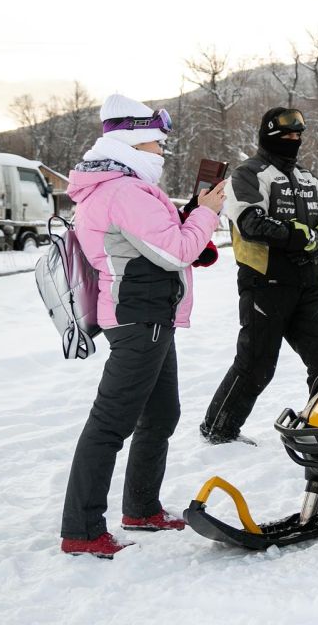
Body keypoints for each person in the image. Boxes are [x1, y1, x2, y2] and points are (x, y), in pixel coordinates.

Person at [60, 94, 225, 558]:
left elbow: (156, 243)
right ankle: (83, 530)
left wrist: (194, 210)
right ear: (132, 143)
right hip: (140, 318)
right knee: (110, 426)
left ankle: (141, 508)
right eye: (156, 143)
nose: (163, 152)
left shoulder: (116, 186)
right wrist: (208, 212)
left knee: (160, 414)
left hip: (149, 314)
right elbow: (175, 250)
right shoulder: (124, 191)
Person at [200, 108, 318, 444]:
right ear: (267, 136)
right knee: (256, 364)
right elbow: (250, 222)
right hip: (264, 284)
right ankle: (218, 429)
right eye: (286, 136)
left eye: (298, 136)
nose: (294, 141)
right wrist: (297, 236)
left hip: (308, 285)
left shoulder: (307, 178)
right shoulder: (248, 175)